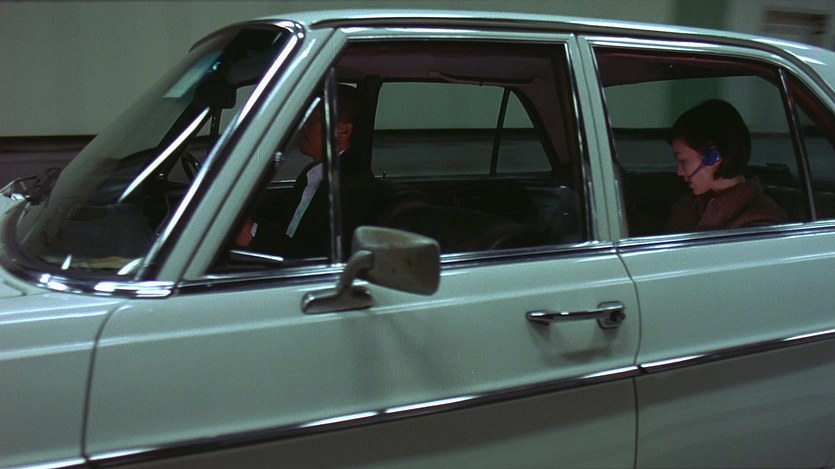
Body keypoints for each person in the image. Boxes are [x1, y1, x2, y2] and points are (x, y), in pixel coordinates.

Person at [239, 84, 385, 258]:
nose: (305, 126)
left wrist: (255, 235)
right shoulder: (313, 174)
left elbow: (322, 257)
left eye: (315, 119)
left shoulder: (355, 188)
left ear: (343, 131)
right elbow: (284, 222)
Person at [665, 99, 787, 233]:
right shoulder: (687, 206)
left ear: (713, 157)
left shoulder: (763, 222)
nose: (679, 172)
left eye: (683, 161)